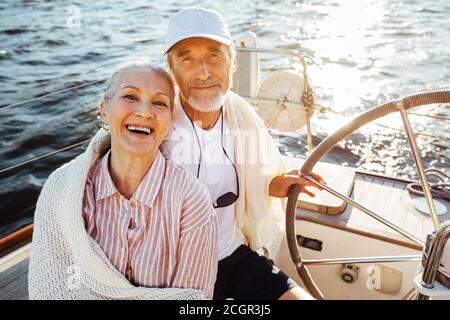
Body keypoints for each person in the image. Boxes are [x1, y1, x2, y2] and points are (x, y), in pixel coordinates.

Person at [161, 7, 325, 300]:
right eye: (187, 58)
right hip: (170, 271)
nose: (204, 72)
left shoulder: (238, 112)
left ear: (233, 63)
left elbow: (255, 182)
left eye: (214, 55)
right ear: (171, 70)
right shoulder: (156, 121)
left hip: (232, 255)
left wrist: (279, 184)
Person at [28, 60, 218, 300]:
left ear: (170, 121)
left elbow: (191, 300)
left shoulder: (191, 199)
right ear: (104, 111)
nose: (144, 111)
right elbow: (52, 287)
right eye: (130, 96)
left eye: (159, 103)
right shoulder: (61, 189)